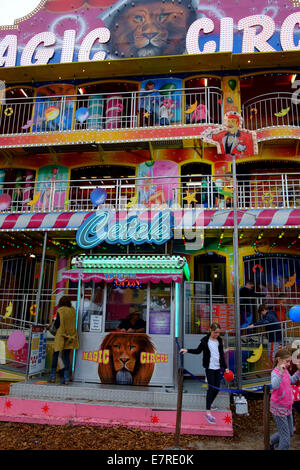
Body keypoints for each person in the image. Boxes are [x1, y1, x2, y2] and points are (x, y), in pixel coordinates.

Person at [180, 322, 229, 425]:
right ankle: (208, 412)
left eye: (218, 333)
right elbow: (198, 351)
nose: (217, 334)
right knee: (211, 388)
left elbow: (221, 355)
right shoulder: (204, 341)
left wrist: (225, 367)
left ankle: (210, 403)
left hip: (217, 367)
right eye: (215, 332)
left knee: (217, 388)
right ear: (210, 330)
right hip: (209, 368)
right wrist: (187, 350)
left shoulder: (219, 340)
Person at [269, 348, 300, 450]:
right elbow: (275, 385)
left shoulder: (285, 371)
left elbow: (291, 381)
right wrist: (281, 372)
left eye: (289, 361)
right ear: (279, 359)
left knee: (290, 432)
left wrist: (299, 372)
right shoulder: (275, 372)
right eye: (287, 361)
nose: (288, 364)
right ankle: (273, 443)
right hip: (279, 408)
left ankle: (269, 441)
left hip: (287, 406)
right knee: (285, 440)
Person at [48, 296, 79, 385]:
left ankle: (53, 376)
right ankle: (66, 378)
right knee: (66, 357)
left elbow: (57, 324)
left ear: (61, 303)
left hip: (61, 336)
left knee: (55, 355)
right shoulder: (73, 310)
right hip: (71, 336)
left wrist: (52, 324)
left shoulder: (60, 310)